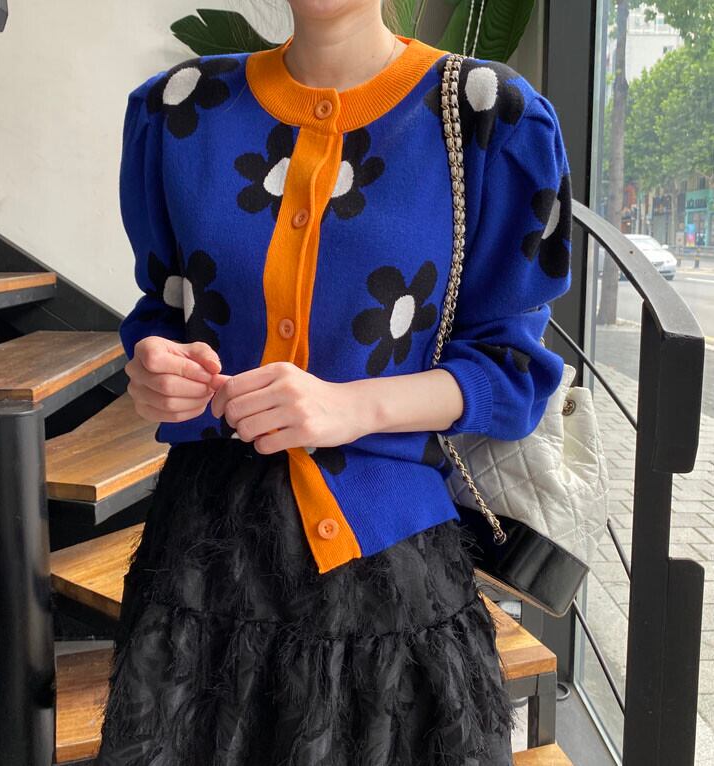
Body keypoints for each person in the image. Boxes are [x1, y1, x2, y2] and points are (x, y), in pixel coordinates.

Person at [96, 0, 573, 764]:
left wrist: (351, 408)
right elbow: (165, 306)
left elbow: (512, 370)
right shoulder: (178, 112)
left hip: (387, 571)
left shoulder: (491, 117)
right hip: (200, 566)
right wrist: (156, 371)